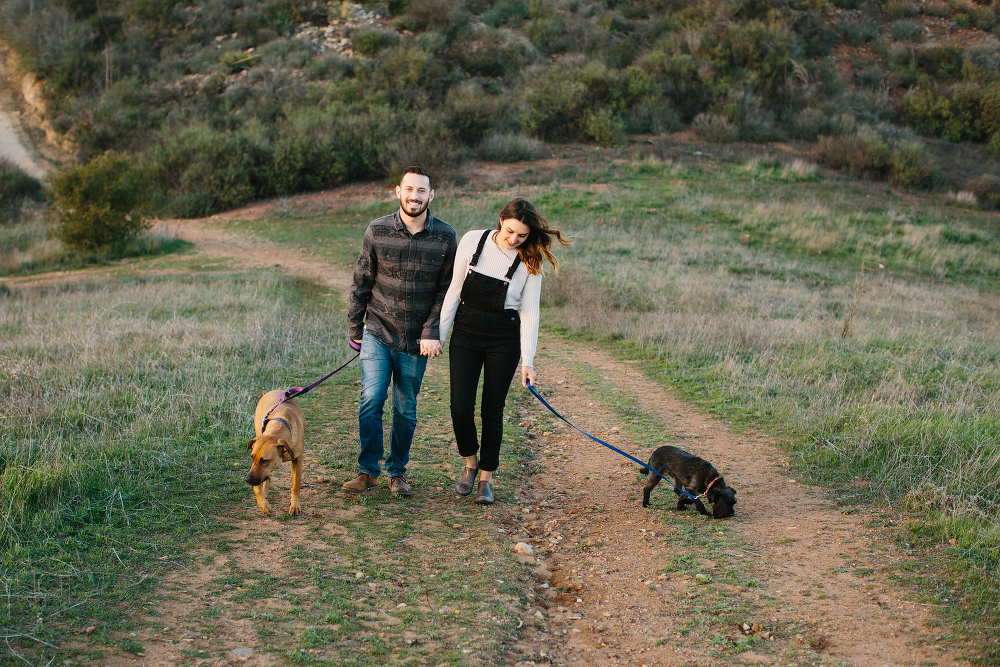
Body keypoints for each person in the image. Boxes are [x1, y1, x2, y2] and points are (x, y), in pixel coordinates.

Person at [438, 198, 571, 505]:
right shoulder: (473, 240)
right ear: (501, 220)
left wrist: (528, 360)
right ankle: (470, 464)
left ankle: (486, 478)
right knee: (460, 407)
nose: (514, 240)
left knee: (492, 409)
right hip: (467, 333)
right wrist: (440, 335)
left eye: (522, 236)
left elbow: (530, 312)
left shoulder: (530, 260)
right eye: (510, 231)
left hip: (504, 339)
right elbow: (456, 290)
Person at [344, 166, 457, 496]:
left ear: (431, 196)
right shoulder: (377, 230)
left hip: (416, 340)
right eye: (409, 189)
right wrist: (355, 328)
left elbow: (446, 291)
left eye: (422, 191)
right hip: (377, 330)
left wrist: (431, 331)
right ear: (398, 191)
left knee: (405, 409)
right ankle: (367, 471)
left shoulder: (446, 236)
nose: (414, 196)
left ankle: (397, 472)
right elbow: (361, 281)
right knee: (371, 401)